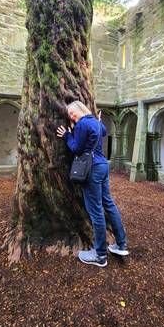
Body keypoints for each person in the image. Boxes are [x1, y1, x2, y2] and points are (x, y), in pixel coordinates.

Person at [56, 100, 129, 267]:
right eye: (70, 115)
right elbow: (103, 132)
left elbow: (76, 149)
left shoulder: (82, 124)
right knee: (108, 204)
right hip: (103, 165)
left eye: (73, 112)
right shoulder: (95, 122)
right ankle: (121, 244)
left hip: (91, 169)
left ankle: (100, 255)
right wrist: (98, 121)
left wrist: (67, 135)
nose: (72, 116)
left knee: (95, 210)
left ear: (80, 109)